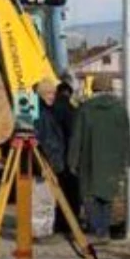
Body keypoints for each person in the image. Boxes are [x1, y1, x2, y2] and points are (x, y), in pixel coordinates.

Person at [68, 74, 130, 243]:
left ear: (94, 88)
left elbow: (77, 137)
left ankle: (96, 230)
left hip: (89, 159)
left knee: (90, 195)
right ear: (110, 88)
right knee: (107, 195)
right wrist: (128, 159)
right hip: (113, 160)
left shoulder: (86, 108)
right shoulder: (120, 109)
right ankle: (104, 230)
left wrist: (72, 161)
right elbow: (126, 136)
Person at [31, 79, 64, 239]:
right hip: (44, 162)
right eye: (49, 93)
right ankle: (41, 232)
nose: (52, 96)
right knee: (43, 199)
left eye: (53, 93)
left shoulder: (43, 111)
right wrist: (49, 164)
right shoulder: (42, 113)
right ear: (41, 94)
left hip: (46, 161)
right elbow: (46, 140)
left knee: (46, 199)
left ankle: (44, 230)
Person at [52, 80, 79, 234]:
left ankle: (56, 224)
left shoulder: (50, 109)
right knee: (70, 191)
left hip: (52, 155)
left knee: (53, 191)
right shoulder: (72, 110)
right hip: (68, 155)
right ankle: (70, 223)